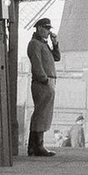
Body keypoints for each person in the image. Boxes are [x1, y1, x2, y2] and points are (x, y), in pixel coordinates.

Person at [26, 17, 60, 157]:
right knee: (41, 114)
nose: (48, 31)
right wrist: (44, 79)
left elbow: (56, 57)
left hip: (46, 82)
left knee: (44, 114)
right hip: (43, 83)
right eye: (46, 28)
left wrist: (55, 44)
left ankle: (34, 146)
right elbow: (37, 63)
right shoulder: (35, 44)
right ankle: (37, 146)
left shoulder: (43, 44)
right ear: (39, 28)